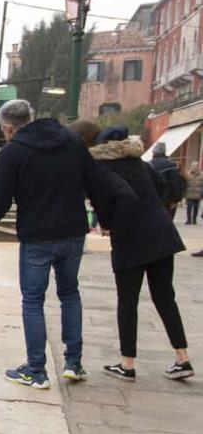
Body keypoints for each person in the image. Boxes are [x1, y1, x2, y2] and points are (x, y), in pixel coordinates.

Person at [0, 100, 105, 389]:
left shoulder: (12, 152)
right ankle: (73, 363)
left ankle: (36, 371)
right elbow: (94, 182)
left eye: (3, 130)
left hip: (37, 236)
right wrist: (107, 218)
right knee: (70, 294)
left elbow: (1, 197)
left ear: (9, 127)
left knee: (33, 301)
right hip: (73, 232)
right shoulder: (72, 142)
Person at [91, 127, 193, 380]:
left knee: (128, 301)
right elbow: (161, 185)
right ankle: (183, 359)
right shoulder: (139, 163)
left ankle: (127, 364)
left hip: (132, 240)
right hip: (161, 232)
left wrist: (108, 224)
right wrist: (151, 209)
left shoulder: (104, 169)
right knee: (164, 296)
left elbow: (120, 198)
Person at [149, 142, 186, 219]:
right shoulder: (172, 165)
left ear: (153, 153)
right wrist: (175, 200)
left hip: (152, 200)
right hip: (167, 201)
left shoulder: (148, 165)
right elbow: (177, 184)